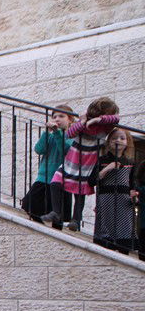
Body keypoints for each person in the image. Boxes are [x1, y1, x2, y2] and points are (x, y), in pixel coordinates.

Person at [42, 97, 120, 232]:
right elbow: (71, 134)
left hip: (86, 164)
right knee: (55, 183)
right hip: (71, 161)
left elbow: (116, 119)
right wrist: (83, 121)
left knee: (79, 193)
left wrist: (98, 120)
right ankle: (56, 212)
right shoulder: (83, 123)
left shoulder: (105, 128)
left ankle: (76, 220)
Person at [23, 106, 74, 226]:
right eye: (54, 116)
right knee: (28, 203)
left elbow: (65, 150)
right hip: (44, 177)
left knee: (57, 215)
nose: (57, 119)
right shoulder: (50, 136)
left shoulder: (73, 137)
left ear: (70, 120)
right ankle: (41, 225)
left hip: (61, 179)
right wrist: (47, 132)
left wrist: (57, 133)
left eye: (61, 116)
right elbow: (39, 149)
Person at [90, 128, 138, 254]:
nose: (118, 141)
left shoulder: (130, 162)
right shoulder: (102, 160)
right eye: (114, 138)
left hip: (124, 201)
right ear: (109, 142)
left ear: (127, 142)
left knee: (124, 235)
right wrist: (106, 169)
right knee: (106, 235)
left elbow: (133, 184)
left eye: (122, 138)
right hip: (106, 200)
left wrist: (134, 194)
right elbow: (91, 181)